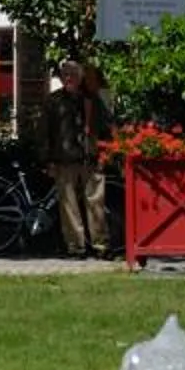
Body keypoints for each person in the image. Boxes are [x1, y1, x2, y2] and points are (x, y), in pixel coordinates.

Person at [44, 57, 113, 258]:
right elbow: (45, 132)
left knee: (96, 204)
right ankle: (76, 247)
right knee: (69, 207)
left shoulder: (91, 100)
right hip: (64, 160)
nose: (69, 78)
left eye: (73, 75)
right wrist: (48, 160)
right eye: (65, 75)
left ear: (80, 77)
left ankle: (101, 245)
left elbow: (106, 127)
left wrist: (105, 153)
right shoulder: (53, 101)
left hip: (90, 158)